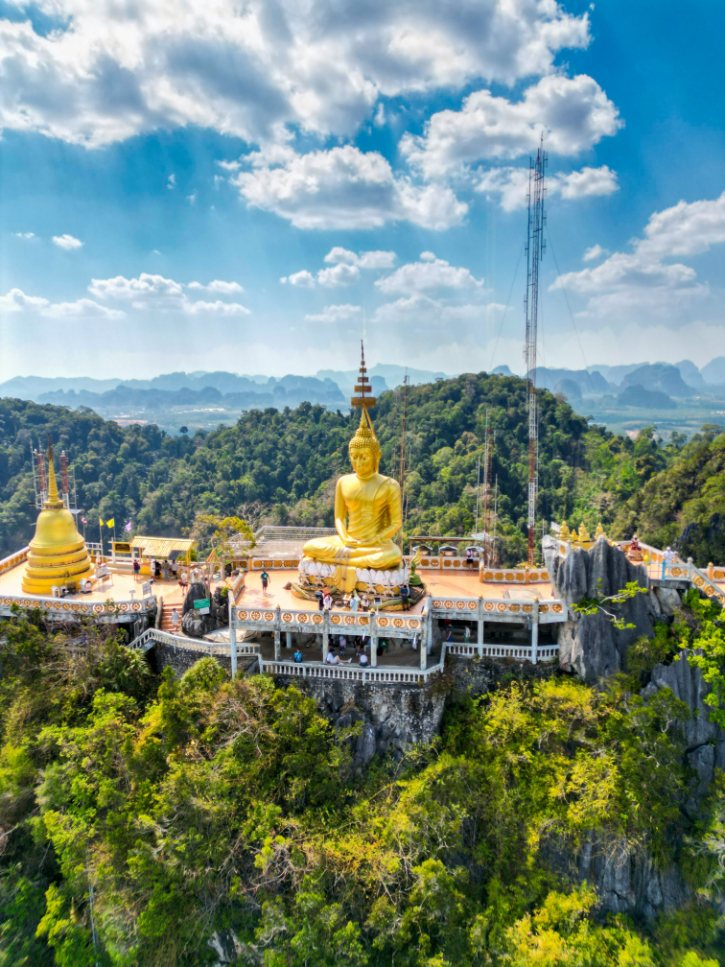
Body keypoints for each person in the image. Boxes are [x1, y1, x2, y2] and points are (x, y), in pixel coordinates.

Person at [301, 410, 402, 570]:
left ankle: (343, 562)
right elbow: (339, 518)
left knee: (394, 555)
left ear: (376, 456)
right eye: (354, 457)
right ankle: (356, 562)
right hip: (348, 542)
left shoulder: (390, 485)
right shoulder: (343, 481)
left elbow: (396, 523)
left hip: (375, 545)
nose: (358, 462)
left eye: (364, 457)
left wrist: (376, 539)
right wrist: (345, 537)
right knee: (309, 546)